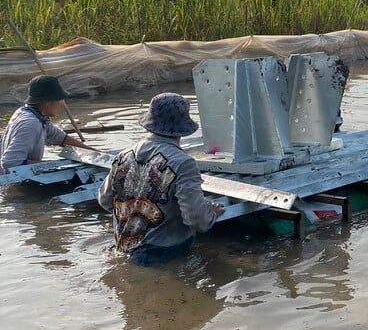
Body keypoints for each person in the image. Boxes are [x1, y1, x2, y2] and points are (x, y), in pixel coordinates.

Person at [97, 92, 223, 265]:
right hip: (163, 253)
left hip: (123, 246)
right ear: (183, 128)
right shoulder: (183, 163)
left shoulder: (123, 155)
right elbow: (196, 218)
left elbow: (105, 200)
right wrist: (210, 212)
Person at [0, 74, 97, 174]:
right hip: (11, 179)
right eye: (59, 100)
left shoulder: (30, 112)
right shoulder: (31, 124)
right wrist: (51, 166)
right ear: (48, 102)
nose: (61, 104)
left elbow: (60, 138)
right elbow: (11, 163)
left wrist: (97, 154)